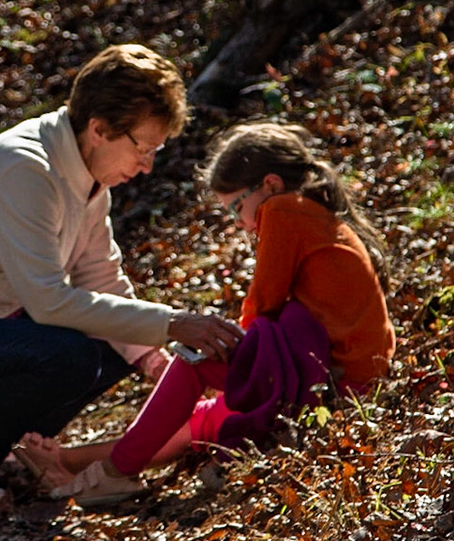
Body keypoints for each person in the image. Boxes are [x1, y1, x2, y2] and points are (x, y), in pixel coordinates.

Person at [0, 44, 243, 509]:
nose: (146, 165)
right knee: (71, 357)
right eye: (142, 148)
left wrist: (151, 358)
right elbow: (49, 302)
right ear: (99, 129)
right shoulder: (26, 169)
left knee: (116, 346)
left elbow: (100, 277)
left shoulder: (89, 177)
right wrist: (172, 323)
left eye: (154, 150)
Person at [25, 121, 395, 507]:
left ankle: (113, 474)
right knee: (205, 415)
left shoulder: (285, 209)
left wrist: (235, 353)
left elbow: (263, 300)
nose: (238, 221)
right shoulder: (312, 212)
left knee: (194, 361)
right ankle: (71, 463)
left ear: (269, 184)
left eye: (237, 207)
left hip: (332, 379)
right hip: (348, 380)